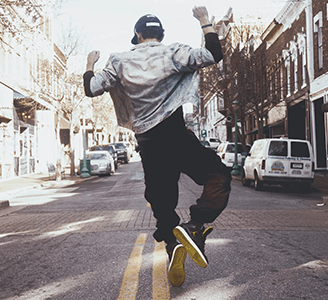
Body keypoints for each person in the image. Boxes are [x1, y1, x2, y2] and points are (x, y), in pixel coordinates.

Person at [83, 6, 231, 287]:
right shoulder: (174, 52)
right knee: (219, 177)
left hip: (149, 144)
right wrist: (204, 21)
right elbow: (214, 54)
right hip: (177, 136)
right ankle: (195, 226)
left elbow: (91, 88)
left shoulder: (120, 61)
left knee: (162, 204)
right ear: (160, 35)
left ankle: (173, 244)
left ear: (137, 36)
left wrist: (90, 64)